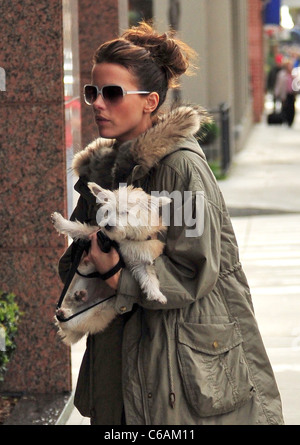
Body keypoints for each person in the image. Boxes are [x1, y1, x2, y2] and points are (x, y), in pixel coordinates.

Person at [58, 22, 284, 425]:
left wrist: (116, 275)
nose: (97, 104)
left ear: (150, 102)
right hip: (120, 362)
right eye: (93, 92)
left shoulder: (179, 169)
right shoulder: (104, 170)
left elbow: (193, 268)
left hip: (177, 364)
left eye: (112, 94)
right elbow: (76, 260)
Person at [274, 60, 296, 127]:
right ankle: (285, 120)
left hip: (291, 94)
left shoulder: (293, 75)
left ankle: (290, 121)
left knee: (292, 108)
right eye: (289, 66)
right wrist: (277, 93)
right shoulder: (282, 74)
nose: (290, 67)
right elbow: (279, 85)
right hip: (285, 94)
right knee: (286, 108)